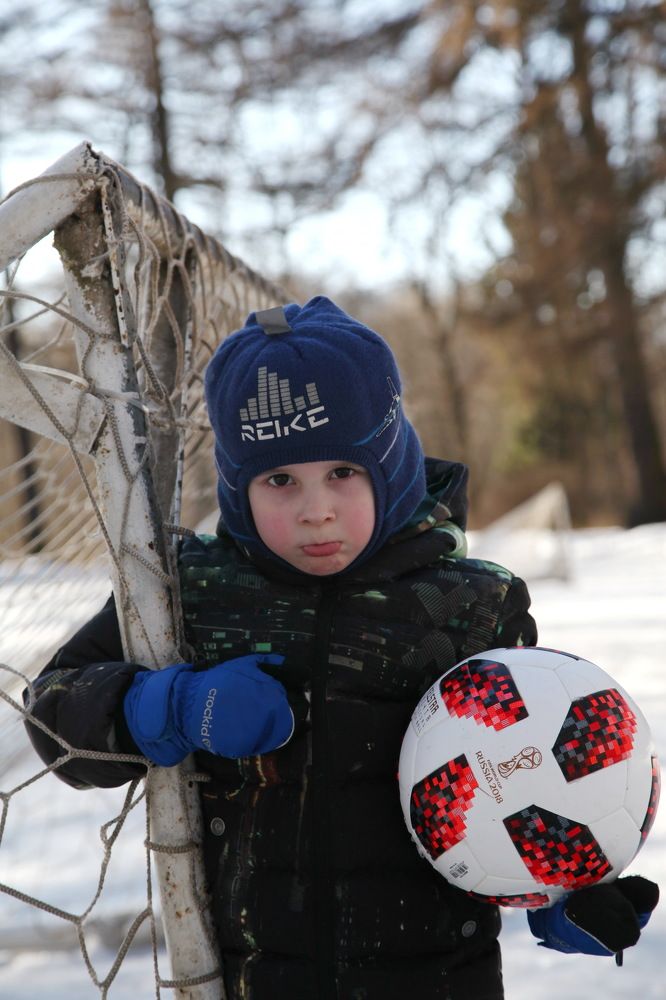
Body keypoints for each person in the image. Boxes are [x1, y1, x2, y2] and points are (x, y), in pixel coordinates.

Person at [24, 297, 657, 999]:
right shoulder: (190, 593)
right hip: (250, 980)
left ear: (391, 462)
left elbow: (530, 773)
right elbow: (51, 712)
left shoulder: (469, 606)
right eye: (280, 481)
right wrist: (174, 705)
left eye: (343, 474)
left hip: (436, 981)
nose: (315, 509)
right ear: (238, 487)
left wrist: (565, 892)